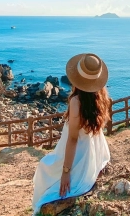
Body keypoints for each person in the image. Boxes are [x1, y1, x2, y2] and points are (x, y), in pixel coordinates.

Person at [32, 53, 111, 214]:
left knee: (44, 168)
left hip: (77, 155)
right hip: (93, 152)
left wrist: (66, 172)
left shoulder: (77, 101)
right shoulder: (100, 96)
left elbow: (73, 139)